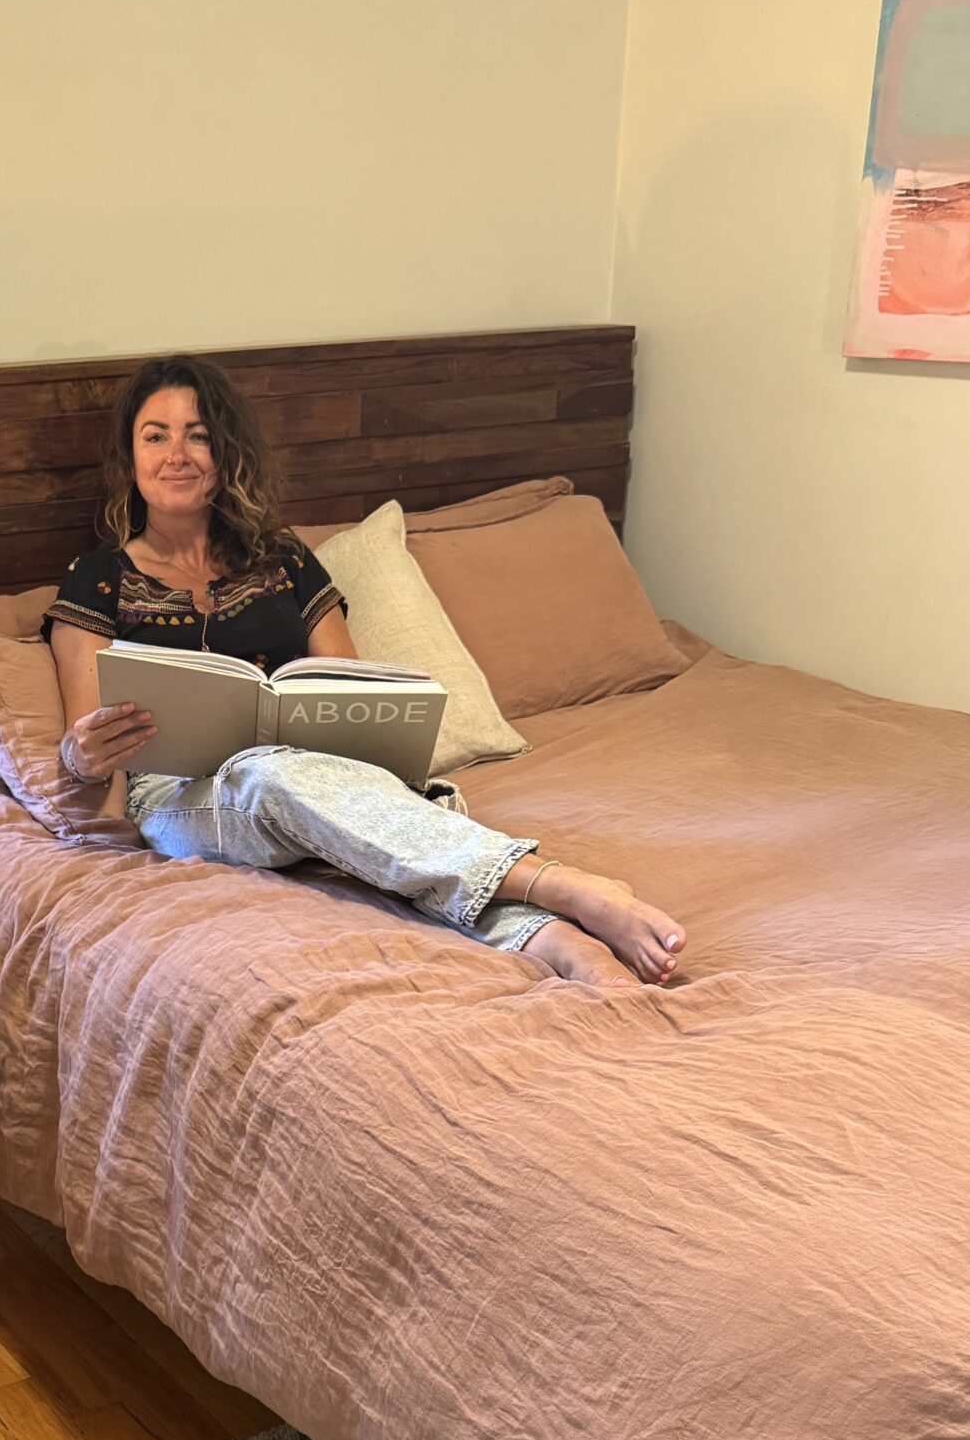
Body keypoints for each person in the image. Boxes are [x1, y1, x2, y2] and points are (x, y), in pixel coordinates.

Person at [45, 356, 684, 987]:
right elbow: (87, 747)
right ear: (130, 459)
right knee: (269, 776)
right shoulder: (97, 578)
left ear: (226, 453)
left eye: (199, 435)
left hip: (314, 773)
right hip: (182, 800)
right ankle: (560, 884)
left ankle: (551, 939)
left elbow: (344, 692)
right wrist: (82, 752)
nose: (177, 453)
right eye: (155, 436)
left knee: (350, 817)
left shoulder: (284, 559)